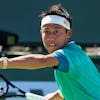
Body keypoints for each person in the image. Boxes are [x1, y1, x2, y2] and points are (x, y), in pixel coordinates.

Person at [0, 4, 100, 100]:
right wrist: (55, 96)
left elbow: (42, 61)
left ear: (68, 33)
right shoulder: (76, 55)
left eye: (56, 31)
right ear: (41, 33)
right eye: (46, 31)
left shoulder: (70, 54)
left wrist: (4, 63)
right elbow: (75, 85)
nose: (51, 37)